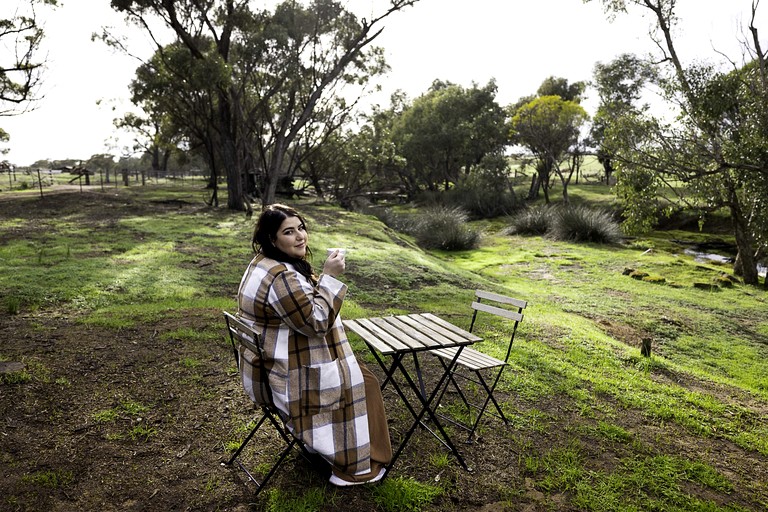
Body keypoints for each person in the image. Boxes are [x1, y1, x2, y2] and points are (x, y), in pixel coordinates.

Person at [236, 203, 392, 486]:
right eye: (289, 232)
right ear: (273, 239)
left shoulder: (263, 264)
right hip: (289, 379)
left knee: (365, 377)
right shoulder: (280, 277)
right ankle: (356, 467)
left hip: (270, 368)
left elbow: (301, 308)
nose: (300, 237)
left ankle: (335, 447)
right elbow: (317, 322)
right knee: (365, 384)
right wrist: (329, 277)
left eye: (301, 228)